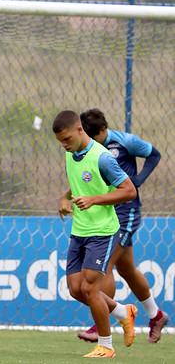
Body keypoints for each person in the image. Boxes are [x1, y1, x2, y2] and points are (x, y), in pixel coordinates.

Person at [52, 110, 139, 358]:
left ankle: (106, 346)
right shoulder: (71, 153)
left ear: (80, 130)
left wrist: (95, 200)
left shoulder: (103, 158)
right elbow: (80, 181)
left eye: (67, 139)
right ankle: (123, 313)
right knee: (74, 289)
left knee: (90, 288)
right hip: (79, 230)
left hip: (102, 231)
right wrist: (63, 197)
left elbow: (128, 190)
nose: (64, 145)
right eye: (60, 142)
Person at [77, 108, 167, 344]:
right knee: (126, 269)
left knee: (103, 266)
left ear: (104, 130)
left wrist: (137, 182)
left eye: (94, 137)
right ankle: (156, 316)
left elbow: (154, 154)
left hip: (126, 213)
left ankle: (100, 324)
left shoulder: (125, 142)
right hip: (107, 216)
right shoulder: (88, 148)